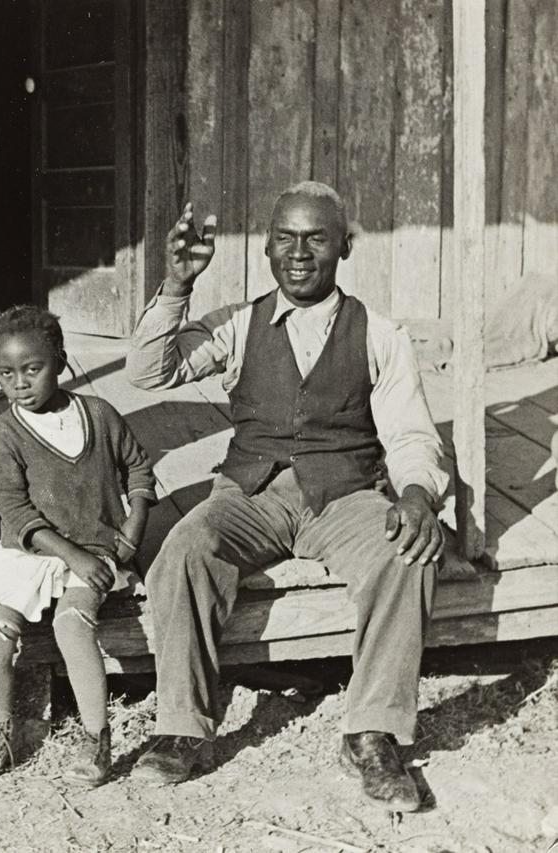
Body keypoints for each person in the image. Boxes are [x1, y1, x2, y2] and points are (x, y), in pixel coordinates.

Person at [124, 181, 448, 812]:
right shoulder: (239, 325)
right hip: (251, 493)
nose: (299, 253)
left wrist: (416, 494)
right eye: (285, 238)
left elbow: (410, 432)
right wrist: (177, 286)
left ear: (345, 248)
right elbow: (148, 372)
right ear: (267, 248)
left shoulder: (381, 335)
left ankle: (370, 732)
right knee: (186, 550)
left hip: (344, 496)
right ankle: (182, 727)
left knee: (406, 555)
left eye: (316, 238)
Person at [0, 305, 156, 786]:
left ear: (62, 362)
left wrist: (134, 523)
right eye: (7, 373)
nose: (21, 382)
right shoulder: (3, 434)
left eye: (33, 369)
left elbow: (138, 467)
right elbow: (16, 511)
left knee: (72, 623)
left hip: (94, 543)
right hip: (33, 548)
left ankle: (96, 739)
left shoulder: (98, 414)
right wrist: (71, 555)